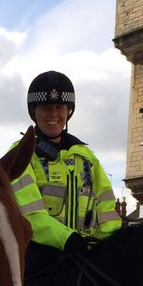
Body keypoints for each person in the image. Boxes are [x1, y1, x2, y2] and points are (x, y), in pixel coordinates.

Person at [11, 71, 122, 253]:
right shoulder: (21, 153)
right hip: (39, 255)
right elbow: (29, 214)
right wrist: (67, 239)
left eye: (59, 107)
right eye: (46, 108)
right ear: (34, 112)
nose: (53, 114)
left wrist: (106, 244)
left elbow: (107, 211)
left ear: (68, 111)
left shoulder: (87, 157)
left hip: (85, 253)